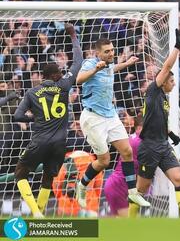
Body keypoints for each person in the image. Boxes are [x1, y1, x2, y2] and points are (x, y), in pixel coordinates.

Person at [12, 24, 83, 218]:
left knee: (20, 173)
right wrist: (73, 36)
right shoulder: (64, 85)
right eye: (59, 72)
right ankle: (40, 212)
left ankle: (35, 211)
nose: (62, 73)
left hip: (40, 140)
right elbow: (78, 62)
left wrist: (33, 117)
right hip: (60, 143)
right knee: (48, 178)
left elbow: (17, 116)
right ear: (53, 76)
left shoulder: (32, 92)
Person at [75, 37, 149, 208]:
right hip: (93, 118)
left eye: (112, 50)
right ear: (97, 53)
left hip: (111, 115)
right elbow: (78, 80)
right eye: (107, 51)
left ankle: (132, 193)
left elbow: (112, 69)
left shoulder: (108, 65)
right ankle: (82, 185)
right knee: (104, 161)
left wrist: (127, 63)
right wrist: (95, 69)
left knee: (127, 151)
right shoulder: (90, 63)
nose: (111, 53)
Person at [135, 29, 180, 218]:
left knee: (179, 179)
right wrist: (177, 47)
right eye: (172, 81)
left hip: (163, 145)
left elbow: (158, 120)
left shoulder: (164, 99)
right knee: (141, 190)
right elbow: (166, 67)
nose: (174, 84)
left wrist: (171, 134)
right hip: (149, 147)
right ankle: (128, 223)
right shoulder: (153, 90)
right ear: (163, 80)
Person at [104, 115, 142, 217]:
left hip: (116, 185)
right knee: (131, 226)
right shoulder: (138, 142)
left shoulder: (132, 138)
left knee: (121, 227)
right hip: (118, 186)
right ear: (139, 128)